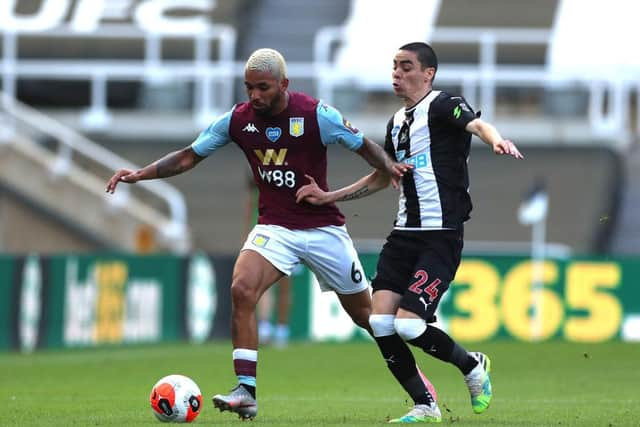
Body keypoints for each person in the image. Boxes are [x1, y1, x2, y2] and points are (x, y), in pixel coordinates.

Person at [105, 48, 411, 421]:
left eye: (262, 88)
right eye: (248, 87)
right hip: (275, 227)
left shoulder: (316, 115)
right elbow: (188, 156)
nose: (254, 96)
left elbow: (365, 146)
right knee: (242, 288)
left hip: (323, 229)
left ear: (283, 84)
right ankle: (246, 391)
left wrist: (389, 167)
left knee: (370, 319)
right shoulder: (237, 121)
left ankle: (427, 381)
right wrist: (141, 174)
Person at [296, 42, 523, 423]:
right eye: (394, 67)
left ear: (428, 73)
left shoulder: (443, 104)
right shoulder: (396, 123)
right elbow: (383, 175)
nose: (396, 74)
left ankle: (472, 367)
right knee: (379, 322)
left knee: (409, 324)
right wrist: (329, 196)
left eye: (406, 67)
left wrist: (496, 139)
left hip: (440, 234)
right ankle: (424, 404)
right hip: (403, 234)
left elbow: (477, 124)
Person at [245, 173, 291, 347]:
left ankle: (281, 329)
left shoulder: (289, 186)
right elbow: (248, 215)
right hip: (263, 242)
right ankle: (265, 327)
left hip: (288, 240)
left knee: (285, 287)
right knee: (264, 285)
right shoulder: (256, 191)